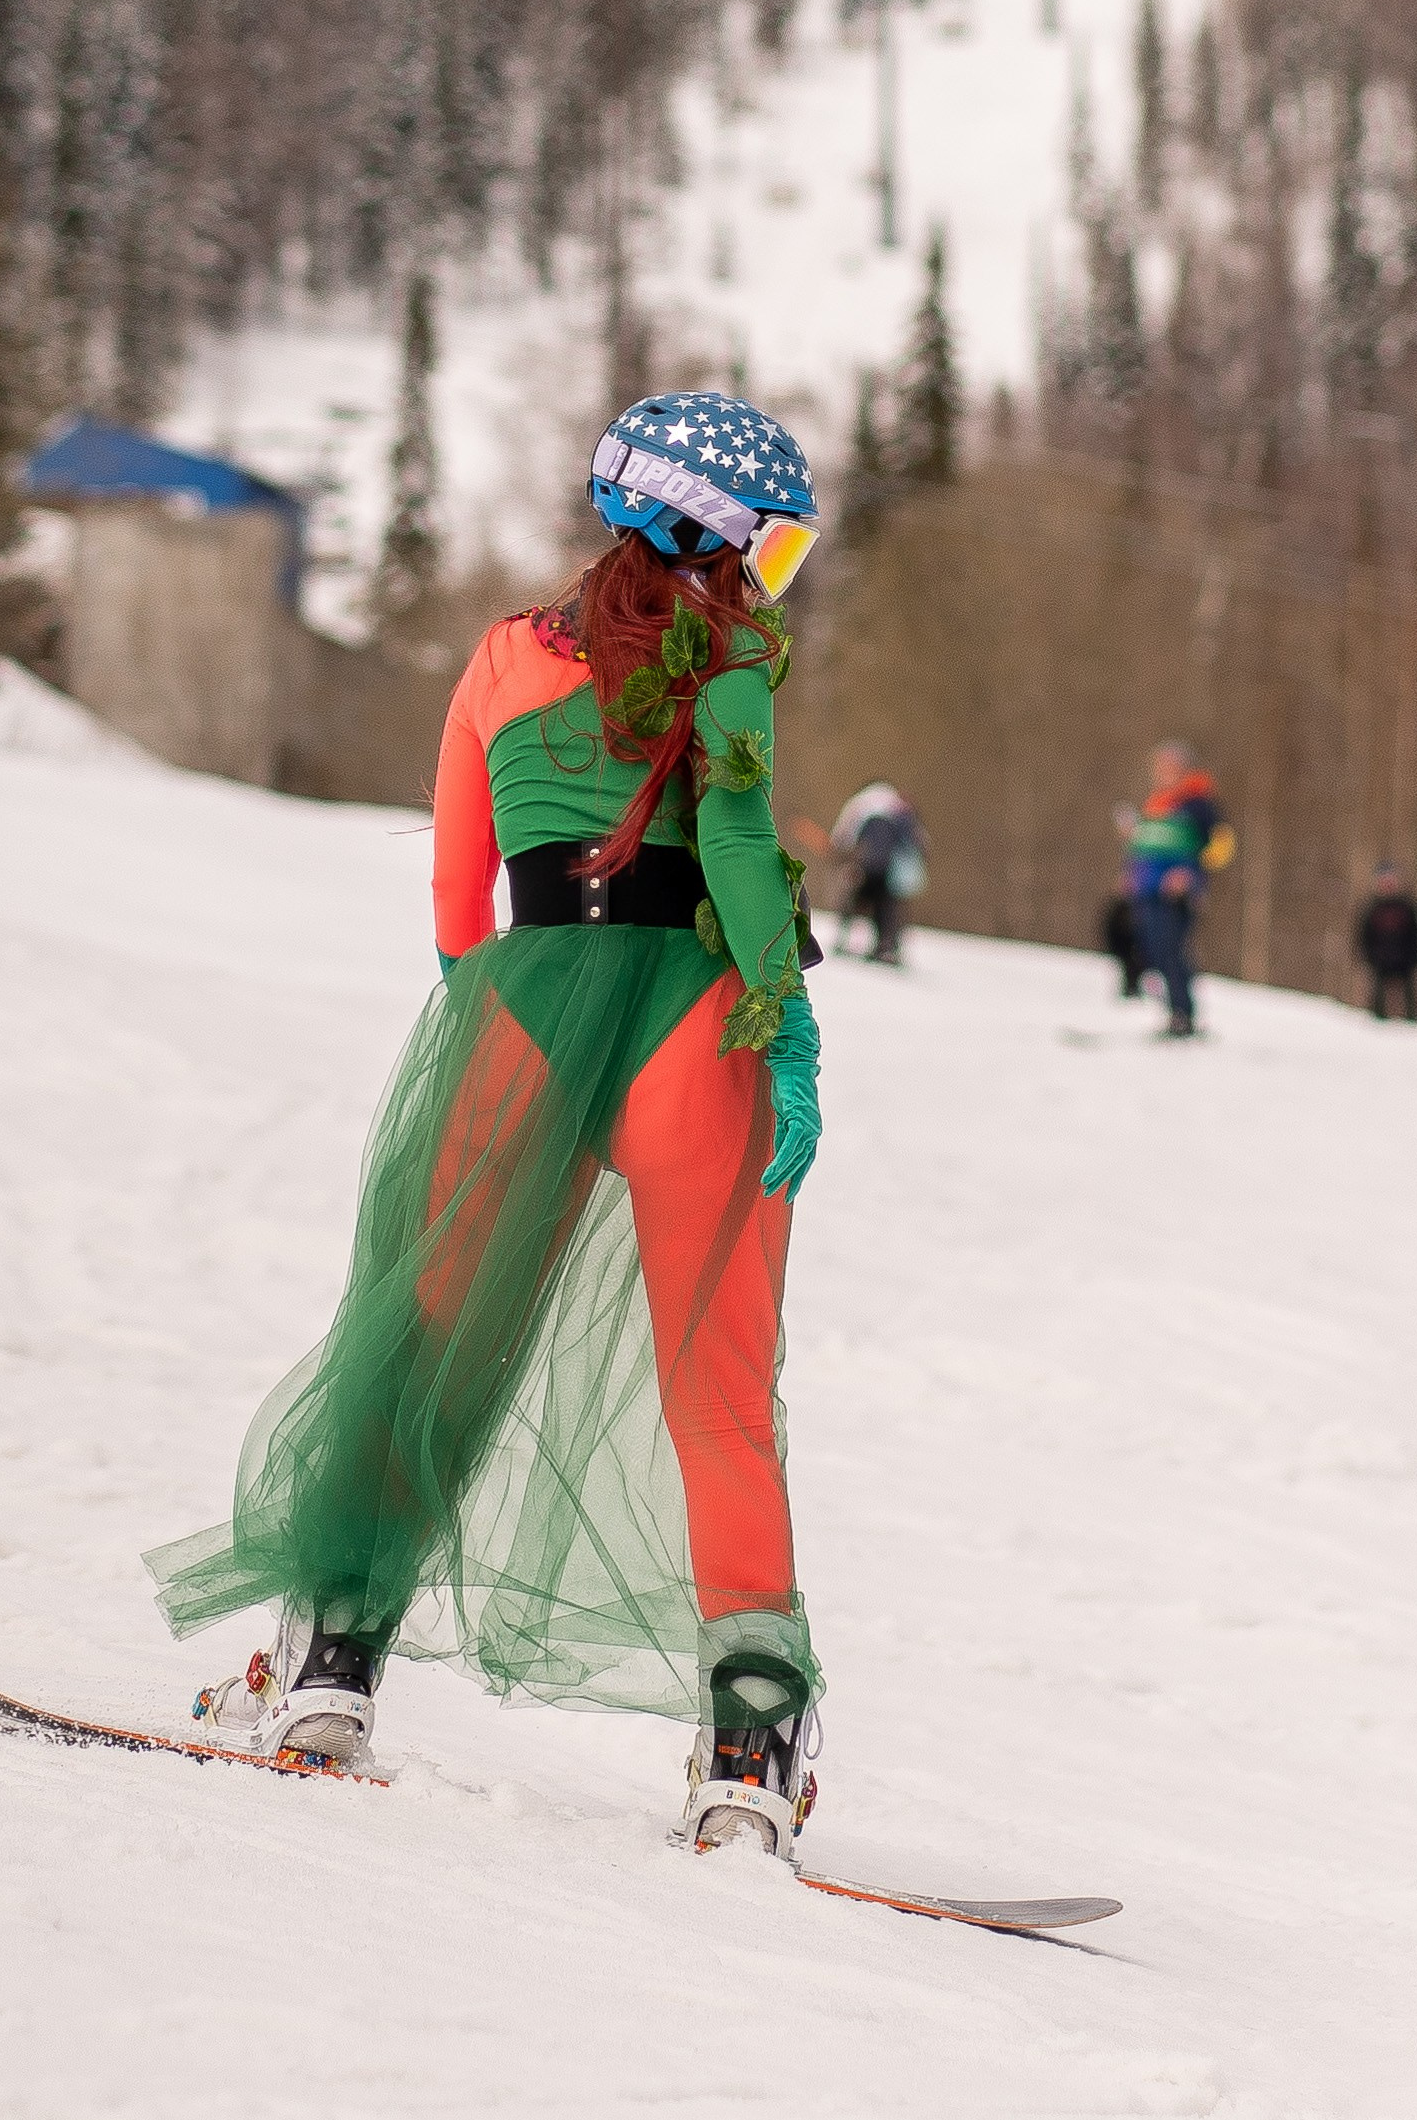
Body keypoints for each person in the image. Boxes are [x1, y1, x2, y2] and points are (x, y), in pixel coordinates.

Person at [148, 389, 833, 1859]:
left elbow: (459, 899)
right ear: (717, 536)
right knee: (717, 1394)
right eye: (765, 549)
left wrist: (513, 1009)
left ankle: (329, 1671)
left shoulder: (502, 658)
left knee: (427, 1345)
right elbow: (731, 847)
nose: (764, 579)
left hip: (521, 1010)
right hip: (695, 1027)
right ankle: (748, 1757)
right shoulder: (729, 664)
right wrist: (789, 1028)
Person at [1125, 742, 1234, 1039]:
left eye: (1168, 766)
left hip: (1177, 894)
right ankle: (1176, 1012)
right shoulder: (1157, 802)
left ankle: (1183, 1015)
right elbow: (1147, 847)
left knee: (1171, 950)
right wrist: (1130, 873)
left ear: (1183, 769)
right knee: (1156, 951)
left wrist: (1191, 873)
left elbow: (1222, 843)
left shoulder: (1197, 803)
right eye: (1159, 767)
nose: (1162, 772)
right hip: (1148, 889)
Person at [827, 778, 927, 964]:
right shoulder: (899, 806)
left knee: (854, 898)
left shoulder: (860, 803)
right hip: (889, 868)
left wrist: (839, 855)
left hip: (865, 864)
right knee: (886, 904)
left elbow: (842, 836)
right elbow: (918, 840)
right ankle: (886, 947)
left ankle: (843, 939)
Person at [1355, 868, 1417, 1020]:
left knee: (1411, 998)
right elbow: (1364, 934)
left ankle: (1414, 1024)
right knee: (1377, 997)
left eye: (1391, 881)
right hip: (1380, 959)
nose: (1388, 885)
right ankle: (1376, 1026)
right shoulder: (1372, 908)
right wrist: (1368, 956)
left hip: (1405, 960)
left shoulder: (1407, 906)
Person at [1100, 872, 1143, 1000]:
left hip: (1137, 947)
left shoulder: (1144, 907)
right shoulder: (1118, 907)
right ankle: (1130, 991)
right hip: (1123, 947)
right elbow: (1110, 930)